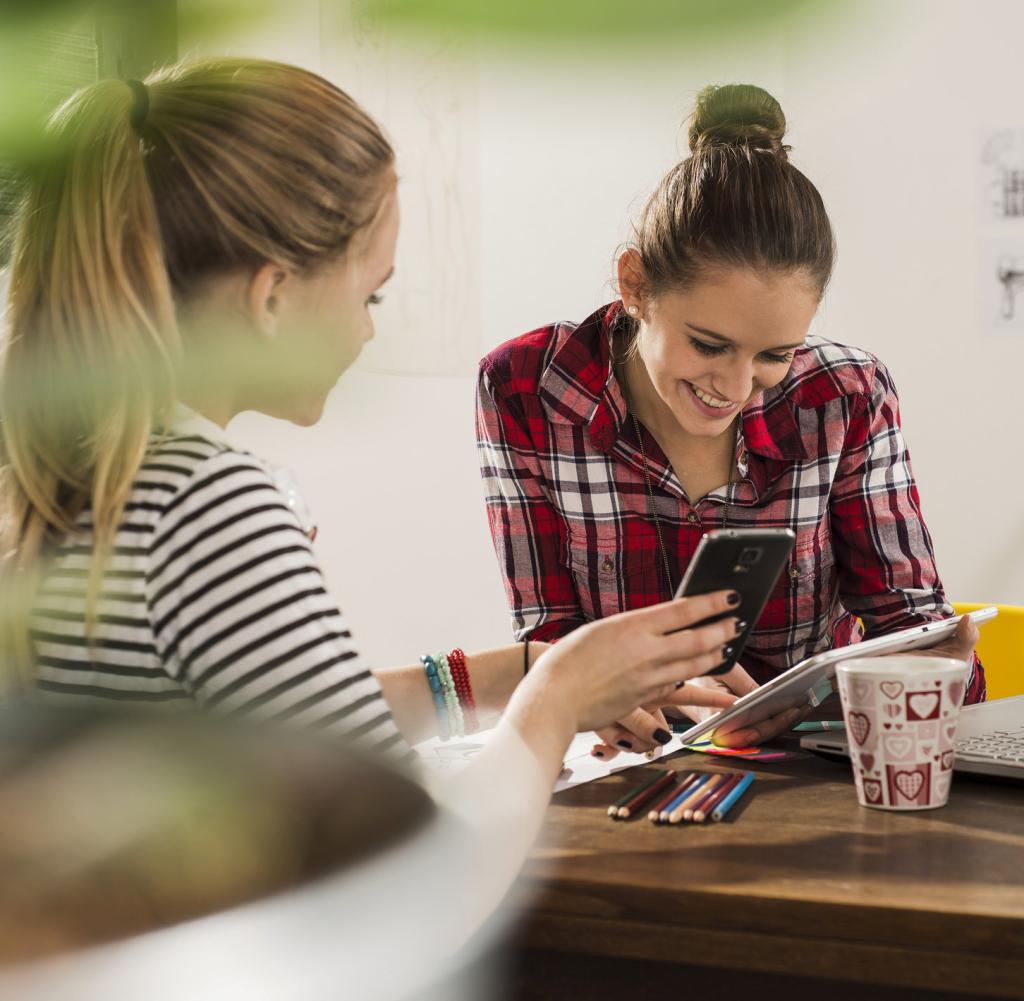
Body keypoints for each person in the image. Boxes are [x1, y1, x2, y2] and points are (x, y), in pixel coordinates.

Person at [0, 58, 741, 819]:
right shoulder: (206, 504)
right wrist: (554, 701)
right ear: (273, 295)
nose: (367, 327)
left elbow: (278, 718)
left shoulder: (69, 472)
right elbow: (411, 860)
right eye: (370, 293)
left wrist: (513, 673)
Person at [476, 83, 983, 756]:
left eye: (775, 354)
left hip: (809, 771)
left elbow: (913, 628)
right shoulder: (524, 388)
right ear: (634, 285)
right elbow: (548, 645)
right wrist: (605, 691)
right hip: (623, 770)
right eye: (709, 345)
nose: (737, 387)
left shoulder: (848, 394)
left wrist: (925, 665)